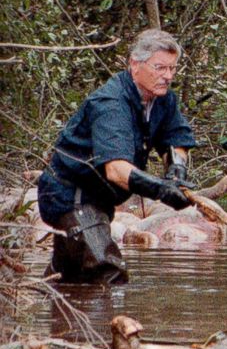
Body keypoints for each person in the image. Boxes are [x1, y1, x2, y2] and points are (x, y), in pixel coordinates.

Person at [36, 29, 197, 284]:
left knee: (67, 277)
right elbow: (116, 171)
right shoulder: (111, 103)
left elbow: (176, 139)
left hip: (98, 199)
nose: (167, 76)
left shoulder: (162, 100)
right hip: (70, 196)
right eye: (160, 68)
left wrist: (176, 171)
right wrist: (161, 190)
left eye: (172, 69)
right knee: (108, 272)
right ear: (135, 64)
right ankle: (111, 323)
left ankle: (50, 309)